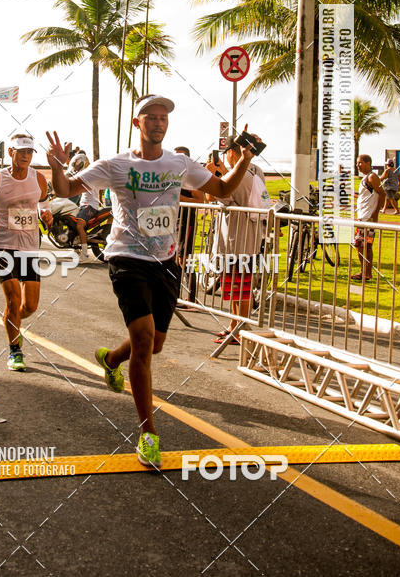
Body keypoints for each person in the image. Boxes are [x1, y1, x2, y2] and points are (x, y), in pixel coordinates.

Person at [46, 95, 260, 468]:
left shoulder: (178, 163)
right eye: (152, 117)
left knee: (155, 344)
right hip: (127, 258)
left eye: (164, 118)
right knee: (144, 341)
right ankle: (148, 433)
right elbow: (65, 191)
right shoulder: (115, 164)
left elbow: (223, 190)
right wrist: (56, 167)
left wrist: (244, 160)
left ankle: (112, 358)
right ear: (137, 122)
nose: (159, 123)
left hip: (166, 262)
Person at [0, 134, 53, 371]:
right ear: (11, 152)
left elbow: (43, 204)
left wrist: (45, 214)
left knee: (30, 306)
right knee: (13, 298)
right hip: (3, 245)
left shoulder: (38, 179)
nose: (26, 156)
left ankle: (11, 319)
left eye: (30, 152)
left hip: (30, 246)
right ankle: (15, 350)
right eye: (22, 152)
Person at [211, 137, 269, 345]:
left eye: (227, 153)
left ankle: (239, 328)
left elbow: (219, 195)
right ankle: (234, 325)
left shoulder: (237, 175)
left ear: (233, 153)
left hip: (237, 235)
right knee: (236, 284)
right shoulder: (257, 171)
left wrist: (216, 174)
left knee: (240, 285)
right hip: (247, 234)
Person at [174, 146, 205, 283]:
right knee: (174, 260)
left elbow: (200, 199)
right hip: (173, 221)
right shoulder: (172, 176)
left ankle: (191, 299)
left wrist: (178, 198)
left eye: (180, 157)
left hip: (187, 222)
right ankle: (175, 298)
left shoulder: (191, 177)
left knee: (185, 260)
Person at [352, 154, 385, 282]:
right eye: (357, 163)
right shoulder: (365, 179)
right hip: (362, 217)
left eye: (360, 163)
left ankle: (367, 272)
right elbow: (363, 196)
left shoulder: (372, 177)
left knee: (366, 246)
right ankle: (364, 271)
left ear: (368, 163)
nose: (358, 165)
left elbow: (382, 194)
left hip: (368, 218)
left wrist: (375, 214)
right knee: (360, 245)